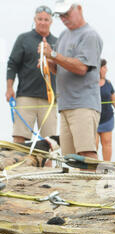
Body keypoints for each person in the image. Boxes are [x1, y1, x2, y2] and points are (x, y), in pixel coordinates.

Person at [38, 0, 103, 159]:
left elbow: (81, 68)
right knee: (70, 158)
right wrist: (47, 62)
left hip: (83, 104)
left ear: (79, 8)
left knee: (86, 153)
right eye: (60, 15)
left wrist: (53, 55)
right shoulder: (63, 35)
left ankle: (93, 183)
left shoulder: (90, 35)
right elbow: (59, 69)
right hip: (66, 106)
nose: (64, 18)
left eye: (67, 14)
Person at [6, 5, 57, 144]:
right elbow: (12, 64)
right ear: (35, 19)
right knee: (19, 137)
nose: (42, 22)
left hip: (49, 99)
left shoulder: (57, 42)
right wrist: (9, 88)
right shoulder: (23, 39)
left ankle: (48, 166)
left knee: (50, 141)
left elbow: (63, 70)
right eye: (39, 19)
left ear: (51, 22)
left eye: (46, 19)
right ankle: (18, 165)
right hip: (25, 96)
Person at [96, 59, 115, 161]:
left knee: (107, 143)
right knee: (93, 145)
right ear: (99, 69)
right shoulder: (90, 83)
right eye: (104, 67)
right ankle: (92, 169)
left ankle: (106, 167)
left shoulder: (108, 84)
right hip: (93, 120)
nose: (106, 69)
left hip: (107, 119)